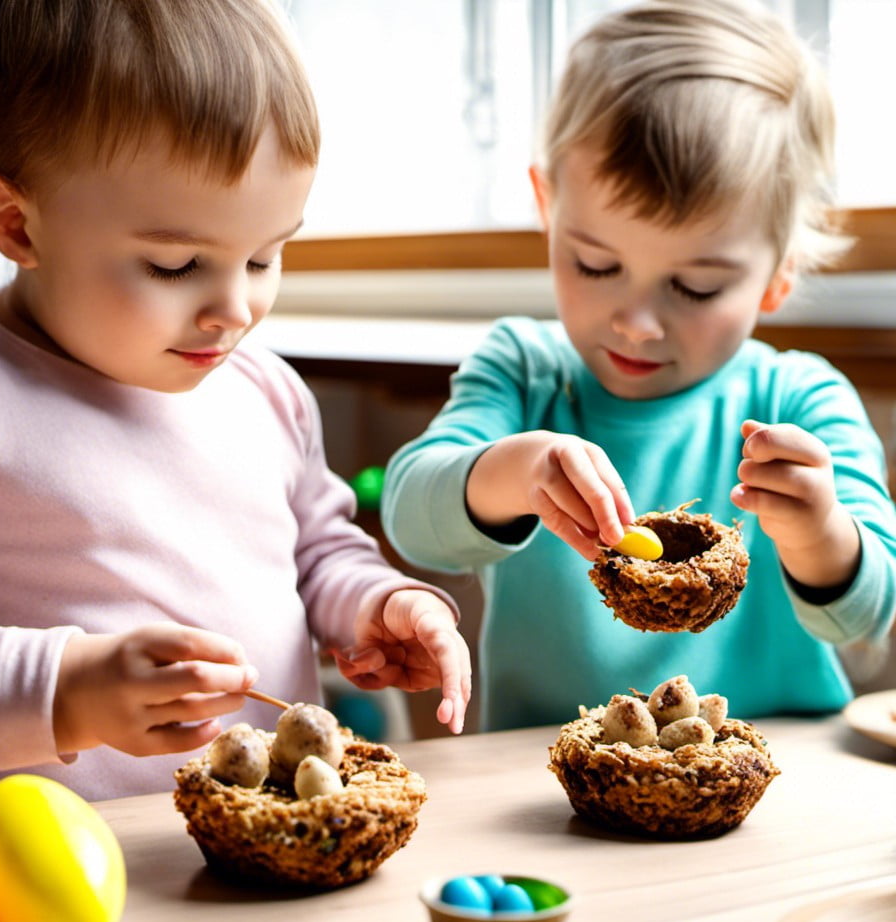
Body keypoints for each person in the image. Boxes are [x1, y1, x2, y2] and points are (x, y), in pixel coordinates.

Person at [0, 0, 471, 832]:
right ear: (16, 222)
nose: (236, 309)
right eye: (176, 263)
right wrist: (63, 694)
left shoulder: (264, 391)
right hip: (52, 900)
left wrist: (374, 603)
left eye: (264, 255)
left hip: (274, 852)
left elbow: (320, 551)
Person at [382, 0, 896, 731]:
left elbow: (868, 618)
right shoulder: (523, 370)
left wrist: (821, 536)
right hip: (550, 782)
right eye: (596, 264)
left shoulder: (800, 399)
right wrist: (514, 470)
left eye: (695, 286)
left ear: (778, 274)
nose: (635, 321)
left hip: (771, 780)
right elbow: (411, 518)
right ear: (547, 207)